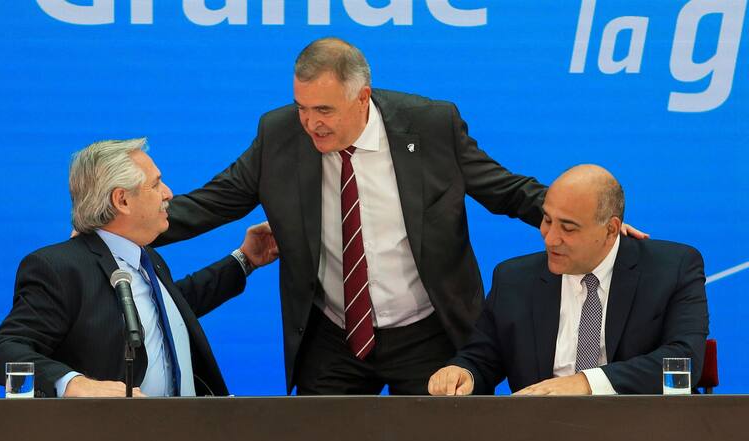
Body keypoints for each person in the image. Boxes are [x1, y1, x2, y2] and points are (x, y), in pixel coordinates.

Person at [154, 38, 645, 395]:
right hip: (332, 336)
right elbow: (211, 203)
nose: (310, 123)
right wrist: (124, 226)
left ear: (362, 96)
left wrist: (594, 224)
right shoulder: (280, 135)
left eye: (323, 109)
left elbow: (506, 190)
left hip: (428, 331)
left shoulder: (430, 126)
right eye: (302, 107)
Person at [0, 138, 278, 397]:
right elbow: (4, 350)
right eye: (156, 183)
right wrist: (74, 384)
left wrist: (245, 259)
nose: (169, 193)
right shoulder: (59, 268)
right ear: (121, 199)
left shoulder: (147, 258)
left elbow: (173, 309)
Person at [428, 165, 708, 396]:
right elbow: (483, 358)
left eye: (568, 228)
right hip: (542, 432)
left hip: (642, 430)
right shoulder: (514, 278)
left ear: (611, 229)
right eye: (547, 220)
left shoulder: (671, 269)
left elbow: (683, 361)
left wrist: (584, 382)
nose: (550, 239)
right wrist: (462, 372)